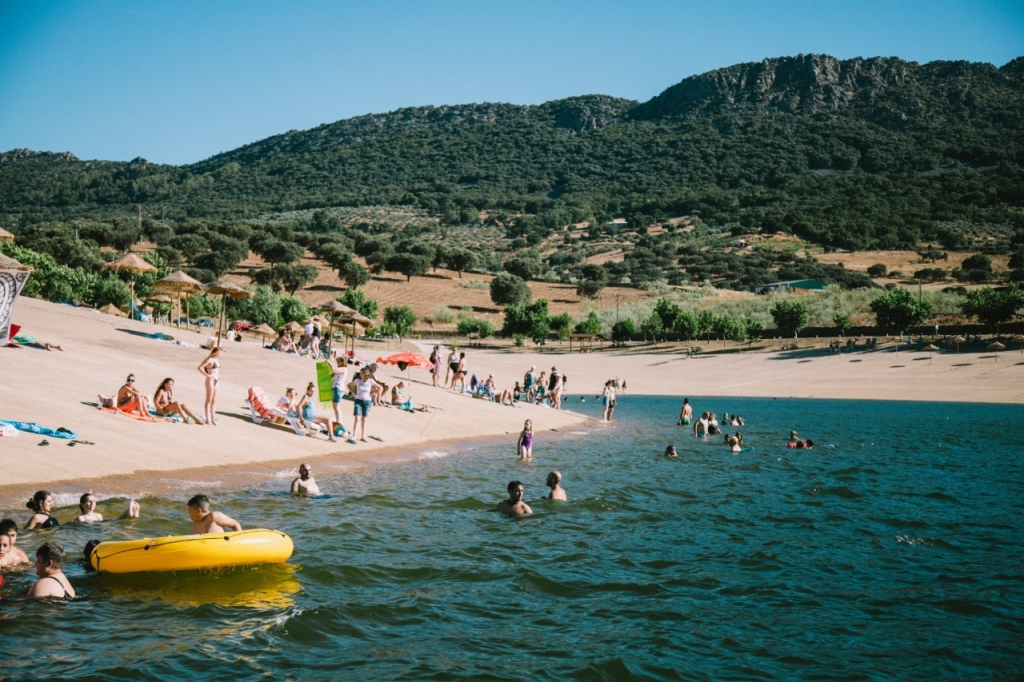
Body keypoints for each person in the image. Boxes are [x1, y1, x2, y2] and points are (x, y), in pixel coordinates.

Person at [350, 366, 380, 442]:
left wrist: (373, 393)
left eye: (361, 373)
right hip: (358, 400)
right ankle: (354, 436)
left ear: (365, 374)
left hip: (367, 401)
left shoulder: (370, 381)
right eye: (360, 373)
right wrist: (354, 392)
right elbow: (349, 385)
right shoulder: (357, 380)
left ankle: (362, 436)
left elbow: (380, 387)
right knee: (357, 419)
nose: (360, 374)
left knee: (364, 419)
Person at [197, 346, 224, 426]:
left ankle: (213, 419)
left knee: (214, 400)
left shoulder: (217, 360)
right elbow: (200, 367)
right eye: (221, 353)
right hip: (210, 380)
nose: (221, 355)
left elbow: (216, 370)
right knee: (208, 399)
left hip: (216, 380)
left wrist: (219, 375)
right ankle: (207, 418)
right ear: (217, 353)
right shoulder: (210, 360)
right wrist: (207, 375)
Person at [73, 493, 141, 523]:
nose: (92, 503)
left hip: (98, 526)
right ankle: (127, 513)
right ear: (82, 504)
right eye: (89, 501)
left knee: (114, 521)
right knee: (114, 522)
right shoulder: (81, 518)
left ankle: (132, 513)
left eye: (94, 501)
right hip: (95, 528)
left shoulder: (98, 515)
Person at [331, 355, 349, 424]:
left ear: (342, 362)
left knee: (337, 407)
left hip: (338, 388)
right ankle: (338, 420)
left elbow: (334, 370)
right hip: (335, 387)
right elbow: (332, 374)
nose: (337, 364)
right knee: (335, 406)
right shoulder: (339, 370)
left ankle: (339, 422)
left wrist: (329, 363)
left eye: (338, 362)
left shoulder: (344, 369)